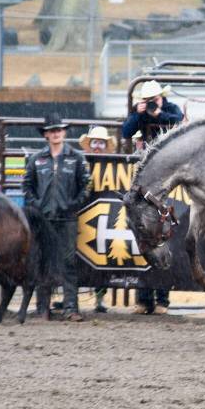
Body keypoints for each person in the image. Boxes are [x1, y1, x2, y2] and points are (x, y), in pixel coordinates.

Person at [122, 81, 182, 315]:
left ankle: (162, 299)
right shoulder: (142, 113)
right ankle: (144, 297)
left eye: (153, 99)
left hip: (165, 180)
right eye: (148, 100)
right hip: (149, 180)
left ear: (160, 97)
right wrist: (138, 115)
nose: (150, 104)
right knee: (146, 236)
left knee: (162, 237)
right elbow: (126, 131)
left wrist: (159, 113)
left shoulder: (172, 109)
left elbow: (178, 122)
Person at [23, 113, 91, 321]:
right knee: (42, 261)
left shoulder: (76, 158)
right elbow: (27, 187)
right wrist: (37, 206)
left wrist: (72, 205)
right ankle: (43, 307)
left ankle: (71, 307)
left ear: (64, 132)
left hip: (67, 218)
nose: (56, 134)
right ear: (46, 135)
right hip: (44, 220)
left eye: (59, 130)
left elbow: (86, 187)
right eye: (52, 130)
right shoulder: (36, 160)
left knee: (68, 262)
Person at [79, 125, 117, 313]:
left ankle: (99, 299)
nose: (97, 146)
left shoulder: (112, 165)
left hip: (103, 216)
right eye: (94, 142)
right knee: (76, 257)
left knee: (102, 256)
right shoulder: (80, 162)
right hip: (81, 213)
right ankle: (70, 298)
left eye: (101, 143)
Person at [121, 80, 184, 146]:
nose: (152, 103)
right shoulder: (141, 113)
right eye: (147, 100)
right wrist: (137, 114)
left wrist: (161, 115)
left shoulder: (171, 107)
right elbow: (126, 133)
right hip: (149, 150)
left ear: (162, 97)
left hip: (172, 147)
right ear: (143, 100)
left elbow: (180, 120)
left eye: (155, 100)